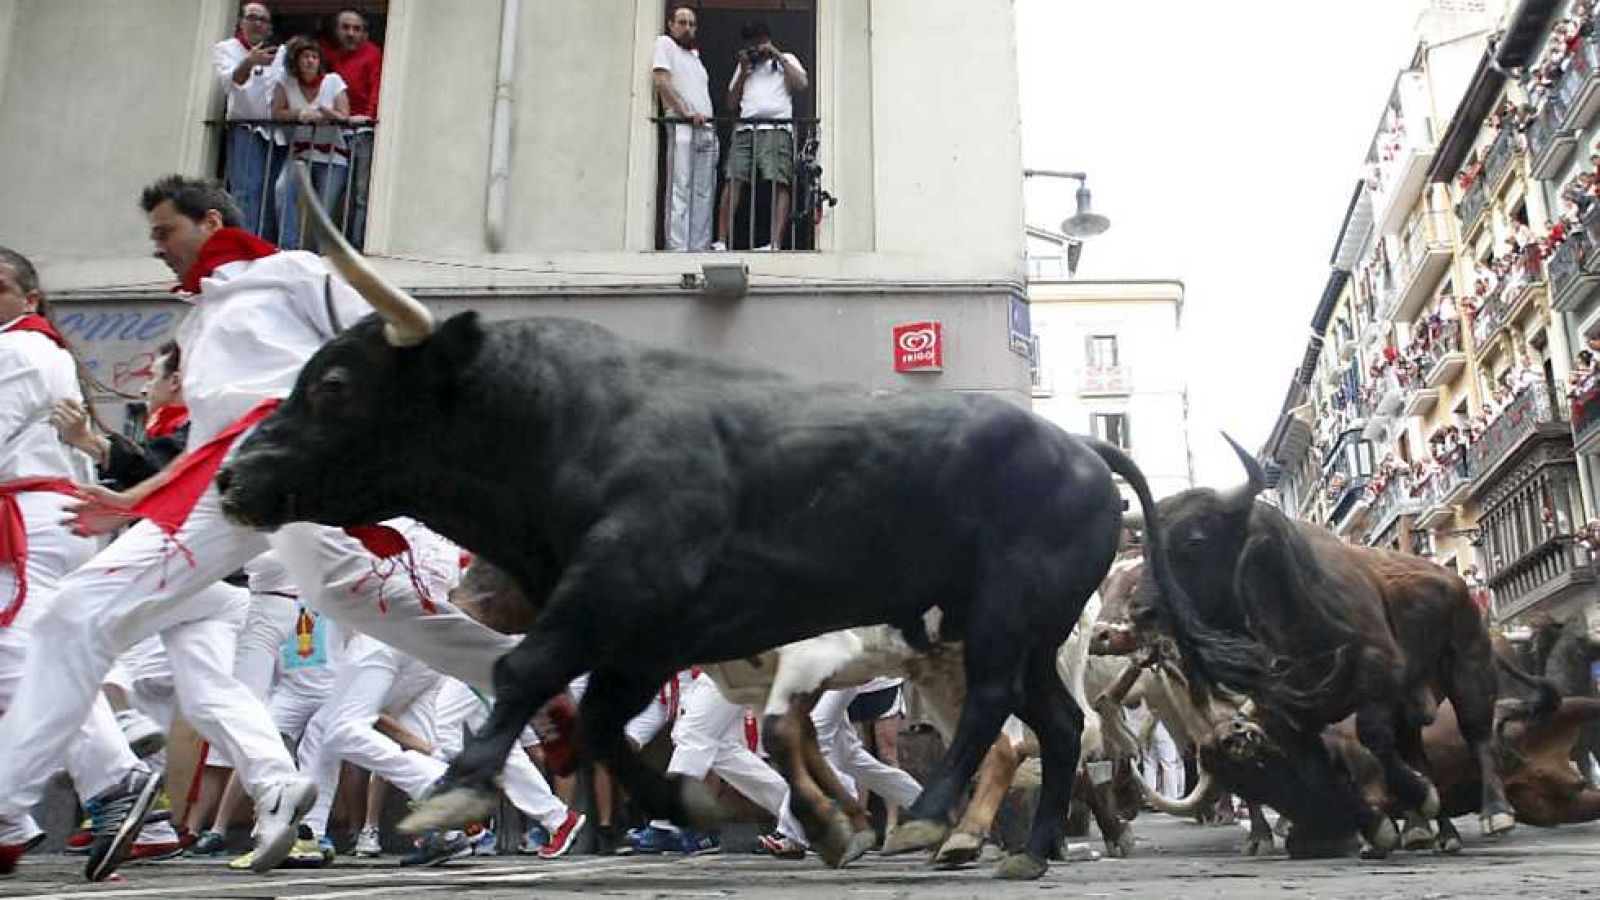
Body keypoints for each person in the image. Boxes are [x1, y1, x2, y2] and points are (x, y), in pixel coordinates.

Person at [0, 175, 517, 880]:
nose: (156, 249)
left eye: (165, 232)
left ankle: (538, 679)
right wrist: (136, 498)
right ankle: (32, 804)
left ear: (210, 220)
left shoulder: (293, 271)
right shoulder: (199, 321)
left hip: (299, 469)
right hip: (237, 491)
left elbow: (386, 348)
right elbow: (208, 445)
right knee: (78, 615)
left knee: (359, 604)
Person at [0, 248, 173, 880]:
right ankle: (21, 815)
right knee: (38, 654)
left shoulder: (17, 352)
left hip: (30, 522)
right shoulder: (35, 350)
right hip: (42, 519)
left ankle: (114, 779)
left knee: (27, 656)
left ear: (30, 298)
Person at [715, 21, 808, 251]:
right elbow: (730, 103)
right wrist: (744, 72)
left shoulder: (785, 58)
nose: (755, 48)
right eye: (750, 44)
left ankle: (775, 242)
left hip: (776, 128)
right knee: (733, 179)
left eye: (758, 43)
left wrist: (776, 55)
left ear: (766, 40)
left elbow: (802, 84)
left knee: (778, 181)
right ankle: (721, 241)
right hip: (745, 128)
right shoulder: (745, 66)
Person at [212, 3, 286, 236]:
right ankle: (246, 242)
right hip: (246, 129)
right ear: (241, 22)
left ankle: (263, 243)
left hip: (277, 132)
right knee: (246, 191)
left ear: (269, 26)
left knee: (273, 192)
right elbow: (232, 83)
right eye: (252, 18)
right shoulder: (226, 49)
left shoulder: (280, 52)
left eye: (263, 20)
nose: (257, 23)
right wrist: (250, 61)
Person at [272, 36, 351, 250]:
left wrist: (325, 113)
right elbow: (276, 112)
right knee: (282, 190)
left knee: (323, 209)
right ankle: (288, 247)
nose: (310, 61)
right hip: (300, 153)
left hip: (332, 154)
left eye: (314, 56)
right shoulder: (286, 82)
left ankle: (319, 256)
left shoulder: (333, 81)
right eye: (305, 56)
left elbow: (345, 116)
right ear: (296, 60)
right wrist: (301, 114)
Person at [652, 5, 717, 251]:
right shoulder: (665, 44)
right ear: (670, 25)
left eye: (691, 23)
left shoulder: (695, 59)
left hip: (706, 128)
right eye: (682, 22)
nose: (687, 27)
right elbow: (661, 80)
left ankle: (699, 247)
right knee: (680, 187)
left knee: (703, 192)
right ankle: (677, 248)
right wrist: (685, 112)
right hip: (683, 126)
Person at [324, 7, 382, 249]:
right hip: (338, 131)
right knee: (334, 191)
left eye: (356, 29)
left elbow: (376, 89)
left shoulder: (372, 54)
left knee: (359, 193)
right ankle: (332, 244)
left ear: (365, 34)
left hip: (362, 132)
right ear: (337, 31)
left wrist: (367, 118)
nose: (350, 33)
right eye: (346, 28)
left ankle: (356, 244)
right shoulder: (334, 58)